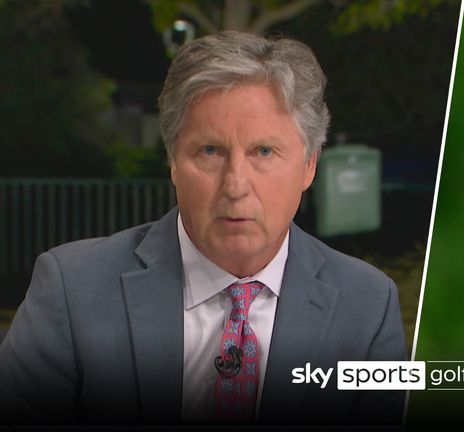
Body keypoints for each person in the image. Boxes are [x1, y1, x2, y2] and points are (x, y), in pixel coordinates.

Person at [0, 31, 407, 426]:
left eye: (264, 151)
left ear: (309, 165)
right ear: (174, 161)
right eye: (210, 151)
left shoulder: (367, 306)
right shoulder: (72, 290)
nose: (235, 186)